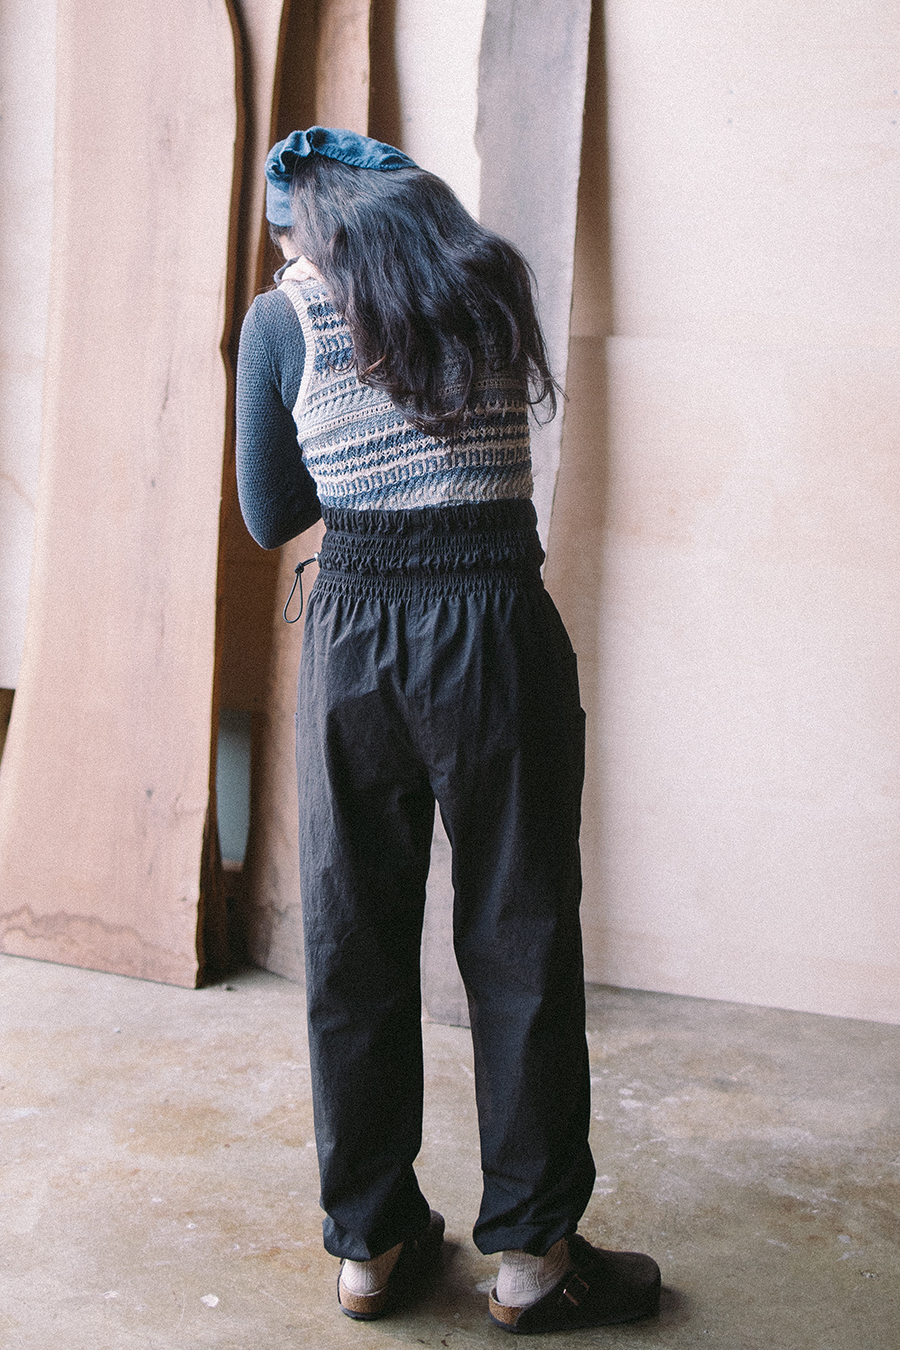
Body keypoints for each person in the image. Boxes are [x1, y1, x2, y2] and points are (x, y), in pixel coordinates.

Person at [236, 126, 660, 1333]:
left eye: (288, 237)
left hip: (358, 640)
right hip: (497, 631)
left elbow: (271, 512)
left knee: (352, 936)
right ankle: (531, 1259)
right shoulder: (486, 283)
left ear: (310, 229)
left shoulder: (284, 320)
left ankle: (371, 1245)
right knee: (522, 931)